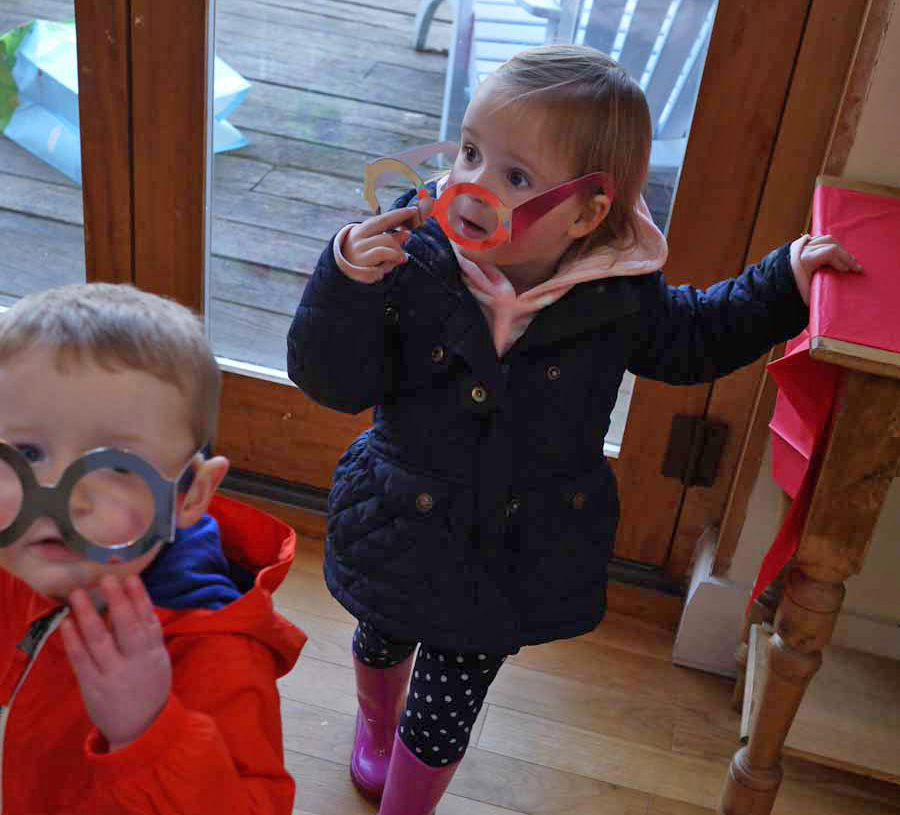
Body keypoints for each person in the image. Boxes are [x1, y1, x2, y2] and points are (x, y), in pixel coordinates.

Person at [286, 44, 861, 814]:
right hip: (401, 517)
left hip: (508, 549)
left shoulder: (616, 293)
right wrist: (345, 281)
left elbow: (698, 337)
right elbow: (332, 378)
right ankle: (375, 723)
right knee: (380, 635)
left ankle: (407, 801)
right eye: (469, 151)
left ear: (588, 213)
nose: (472, 185)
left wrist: (782, 280)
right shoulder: (411, 259)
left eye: (516, 177)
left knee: (449, 698)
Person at [0, 283, 306, 814]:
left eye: (116, 465)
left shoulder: (219, 659)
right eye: (27, 452)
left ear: (191, 494)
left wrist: (149, 734)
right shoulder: (27, 554)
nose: (61, 497)